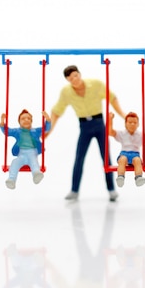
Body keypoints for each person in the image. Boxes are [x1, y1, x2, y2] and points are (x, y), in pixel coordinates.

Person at [49, 65, 126, 202]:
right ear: (68, 80)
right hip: (84, 126)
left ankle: (111, 190)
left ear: (80, 74)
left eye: (76, 75)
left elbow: (112, 97)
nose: (74, 79)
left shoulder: (96, 84)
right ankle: (74, 190)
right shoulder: (66, 92)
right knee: (79, 157)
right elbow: (56, 111)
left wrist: (123, 115)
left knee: (106, 157)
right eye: (71, 78)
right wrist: (49, 130)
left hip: (99, 124)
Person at [0, 109, 51, 190]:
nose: (26, 120)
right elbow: (7, 131)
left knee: (33, 161)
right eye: (23, 119)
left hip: (32, 152)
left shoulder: (36, 131)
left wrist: (47, 120)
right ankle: (11, 180)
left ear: (31, 121)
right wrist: (2, 122)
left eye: (28, 118)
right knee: (15, 162)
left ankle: (36, 174)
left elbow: (46, 129)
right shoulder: (17, 131)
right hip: (21, 154)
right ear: (19, 122)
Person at [108, 111, 145, 187]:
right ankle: (120, 177)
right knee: (122, 160)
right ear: (125, 124)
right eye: (130, 122)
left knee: (137, 161)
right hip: (124, 153)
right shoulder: (122, 133)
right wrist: (110, 120)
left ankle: (138, 178)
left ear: (138, 124)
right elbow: (110, 132)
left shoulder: (140, 135)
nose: (132, 124)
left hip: (135, 154)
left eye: (135, 122)